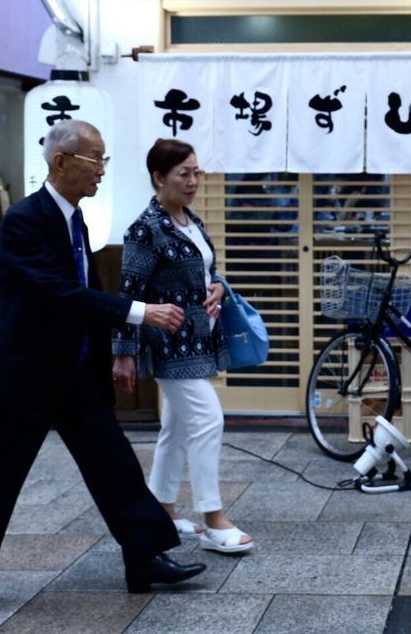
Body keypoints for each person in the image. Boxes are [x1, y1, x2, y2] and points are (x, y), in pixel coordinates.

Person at [0, 120, 206, 616]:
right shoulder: (24, 220)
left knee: (115, 465)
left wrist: (116, 353)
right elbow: (58, 292)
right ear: (61, 162)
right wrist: (140, 312)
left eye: (104, 159)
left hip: (75, 374)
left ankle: (144, 556)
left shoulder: (75, 218)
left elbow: (78, 297)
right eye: (95, 160)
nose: (102, 170)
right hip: (25, 377)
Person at [111, 139, 253, 554]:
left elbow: (208, 270)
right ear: (159, 177)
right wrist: (123, 352)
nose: (193, 181)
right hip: (171, 345)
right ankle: (213, 519)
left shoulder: (190, 219)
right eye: (183, 174)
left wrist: (217, 288)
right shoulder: (145, 228)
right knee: (208, 420)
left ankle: (163, 511)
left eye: (197, 172)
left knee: (175, 429)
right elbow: (130, 293)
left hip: (201, 341)